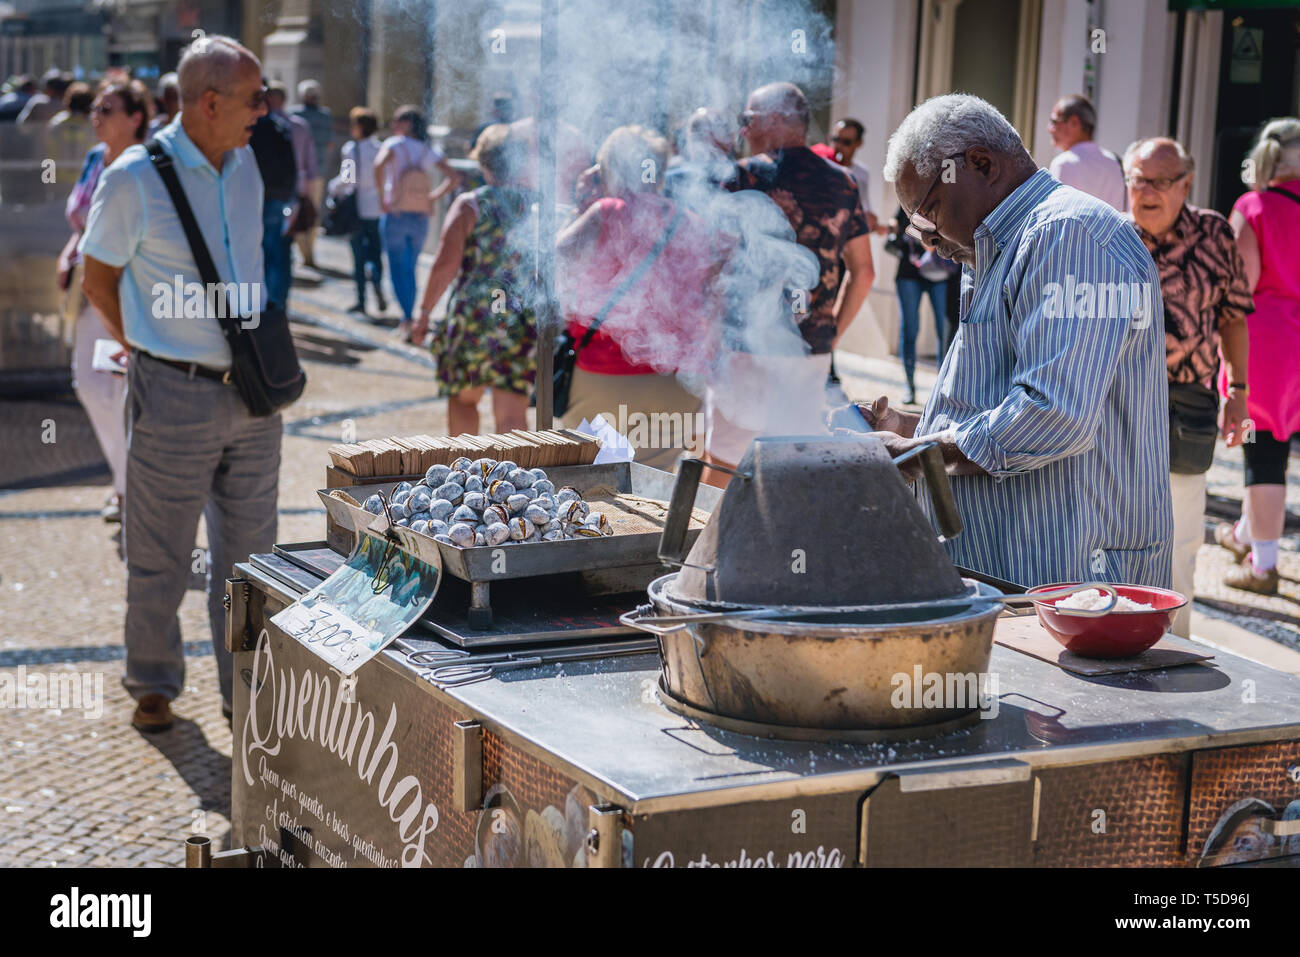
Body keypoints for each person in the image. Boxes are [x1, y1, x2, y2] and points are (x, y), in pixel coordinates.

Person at [865, 93, 1171, 589]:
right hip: (1007, 573)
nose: (925, 239)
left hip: (1072, 582)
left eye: (928, 212)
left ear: (982, 164)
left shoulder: (1070, 235)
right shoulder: (990, 248)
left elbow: (1052, 414)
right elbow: (998, 405)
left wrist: (920, 453)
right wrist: (912, 426)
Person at [78, 35, 280, 733]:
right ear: (211, 102)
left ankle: (246, 692)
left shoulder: (249, 164)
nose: (266, 108)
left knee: (251, 560)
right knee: (160, 552)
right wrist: (145, 348)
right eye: (256, 96)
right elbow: (96, 277)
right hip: (174, 393)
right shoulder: (133, 177)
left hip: (253, 396)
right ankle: (155, 680)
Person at [709, 82, 873, 476]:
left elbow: (711, 267)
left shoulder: (743, 176)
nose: (743, 130)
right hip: (810, 353)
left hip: (744, 351)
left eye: (748, 119)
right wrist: (830, 335)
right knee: (787, 469)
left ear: (776, 119)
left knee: (725, 469)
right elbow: (865, 272)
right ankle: (783, 541)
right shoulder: (844, 181)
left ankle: (716, 540)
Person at [1126, 137, 1252, 635]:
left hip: (1186, 405)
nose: (1148, 192)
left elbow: (1234, 317)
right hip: (1115, 403)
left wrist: (1237, 391)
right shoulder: (1107, 235)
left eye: (1161, 181)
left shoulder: (1215, 235)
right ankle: (1112, 643)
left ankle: (1174, 647)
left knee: (1179, 539)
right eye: (1139, 179)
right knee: (1109, 532)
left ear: (1186, 183)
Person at [556, 125, 719, 470]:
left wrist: (577, 205)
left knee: (594, 486)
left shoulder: (606, 210)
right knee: (653, 490)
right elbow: (710, 297)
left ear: (609, 168)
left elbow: (554, 261)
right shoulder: (692, 222)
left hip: (604, 377)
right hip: (677, 384)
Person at [58, 79, 154, 525]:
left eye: (107, 108)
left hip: (128, 288)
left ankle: (129, 490)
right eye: (95, 107)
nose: (96, 115)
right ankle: (124, 481)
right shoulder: (96, 158)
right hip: (88, 284)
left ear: (136, 118)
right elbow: (82, 219)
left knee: (123, 392)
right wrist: (68, 250)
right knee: (89, 385)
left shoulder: (149, 164)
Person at [1215, 118, 1300, 595]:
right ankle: (1246, 535)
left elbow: (1237, 286)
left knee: (1260, 451)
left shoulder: (1254, 207)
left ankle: (1263, 566)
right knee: (1276, 446)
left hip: (1263, 343)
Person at [409, 124, 537, 434]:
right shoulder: (535, 208)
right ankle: (513, 479)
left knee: (465, 400)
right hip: (517, 317)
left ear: (483, 162)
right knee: (512, 415)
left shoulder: (470, 205)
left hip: (474, 318)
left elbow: (444, 265)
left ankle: (466, 476)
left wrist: (424, 314)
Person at [374, 105, 462, 334]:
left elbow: (379, 165)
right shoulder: (426, 150)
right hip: (420, 216)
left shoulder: (394, 144)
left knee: (395, 267)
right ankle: (411, 316)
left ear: (408, 124)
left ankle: (406, 317)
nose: (394, 126)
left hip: (396, 212)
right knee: (410, 267)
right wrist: (431, 198)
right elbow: (453, 177)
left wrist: (383, 197)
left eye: (397, 121)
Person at [885, 205, 955, 405]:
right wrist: (894, 227)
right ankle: (909, 386)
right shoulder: (908, 198)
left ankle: (943, 390)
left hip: (940, 273)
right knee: (910, 329)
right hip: (908, 273)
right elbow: (899, 223)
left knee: (944, 331)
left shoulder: (943, 197)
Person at [328, 106, 386, 315]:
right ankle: (376, 277)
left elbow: (348, 179)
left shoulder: (352, 149)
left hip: (357, 209)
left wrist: (332, 187)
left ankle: (361, 300)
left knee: (358, 255)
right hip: (377, 209)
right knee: (375, 252)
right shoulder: (381, 148)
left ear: (360, 127)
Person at [249, 82, 298, 309]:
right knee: (274, 252)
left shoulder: (252, 129)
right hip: (275, 196)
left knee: (260, 252)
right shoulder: (279, 127)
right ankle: (275, 305)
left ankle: (266, 304)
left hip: (260, 197)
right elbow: (291, 166)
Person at [266, 83, 319, 274]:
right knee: (285, 241)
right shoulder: (299, 125)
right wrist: (310, 183)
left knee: (270, 242)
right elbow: (310, 158)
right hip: (295, 186)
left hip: (273, 189)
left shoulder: (267, 124)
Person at [1047, 94, 1126, 213]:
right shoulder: (1114, 162)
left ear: (1074, 123)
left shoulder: (1063, 164)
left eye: (1054, 121)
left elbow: (1054, 214)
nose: (1050, 128)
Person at [290, 79, 333, 268]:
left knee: (297, 212)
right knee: (312, 213)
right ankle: (309, 253)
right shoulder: (326, 116)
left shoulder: (294, 114)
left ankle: (305, 253)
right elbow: (330, 143)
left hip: (296, 172)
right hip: (318, 172)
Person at [812, 117, 882, 233]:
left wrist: (870, 220)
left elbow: (864, 206)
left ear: (858, 143)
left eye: (846, 142)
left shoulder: (861, 173)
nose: (838, 146)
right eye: (835, 139)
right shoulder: (821, 164)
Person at [146, 72, 179, 138]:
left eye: (181, 97)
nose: (178, 103)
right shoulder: (150, 130)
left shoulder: (193, 130)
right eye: (174, 97)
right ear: (164, 101)